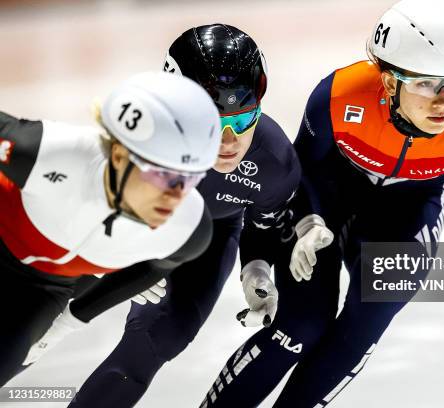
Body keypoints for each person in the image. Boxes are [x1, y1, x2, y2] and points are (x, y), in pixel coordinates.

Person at [198, 1, 444, 407]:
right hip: (328, 197)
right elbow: (292, 177)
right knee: (301, 326)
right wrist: (302, 223)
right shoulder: (338, 95)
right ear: (388, 82)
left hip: (407, 207)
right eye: (424, 83)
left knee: (368, 320)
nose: (443, 101)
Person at [68, 24, 301, 407]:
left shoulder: (275, 162)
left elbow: (262, 222)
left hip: (210, 231)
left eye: (243, 120)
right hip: (124, 225)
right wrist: (115, 259)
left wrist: (256, 266)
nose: (229, 142)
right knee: (39, 316)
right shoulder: (139, 138)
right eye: (212, 123)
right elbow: (72, 214)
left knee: (158, 339)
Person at [0, 71, 221, 386]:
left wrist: (70, 321)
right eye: (163, 174)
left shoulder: (187, 231)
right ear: (119, 155)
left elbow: (153, 268)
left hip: (42, 289)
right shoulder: (45, 153)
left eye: (191, 178)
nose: (176, 195)